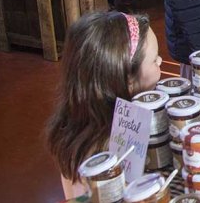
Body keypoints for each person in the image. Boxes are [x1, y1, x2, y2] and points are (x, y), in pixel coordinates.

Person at [47, 11, 162, 199]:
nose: (160, 62)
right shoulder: (110, 155)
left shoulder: (76, 125)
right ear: (127, 80)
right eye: (154, 60)